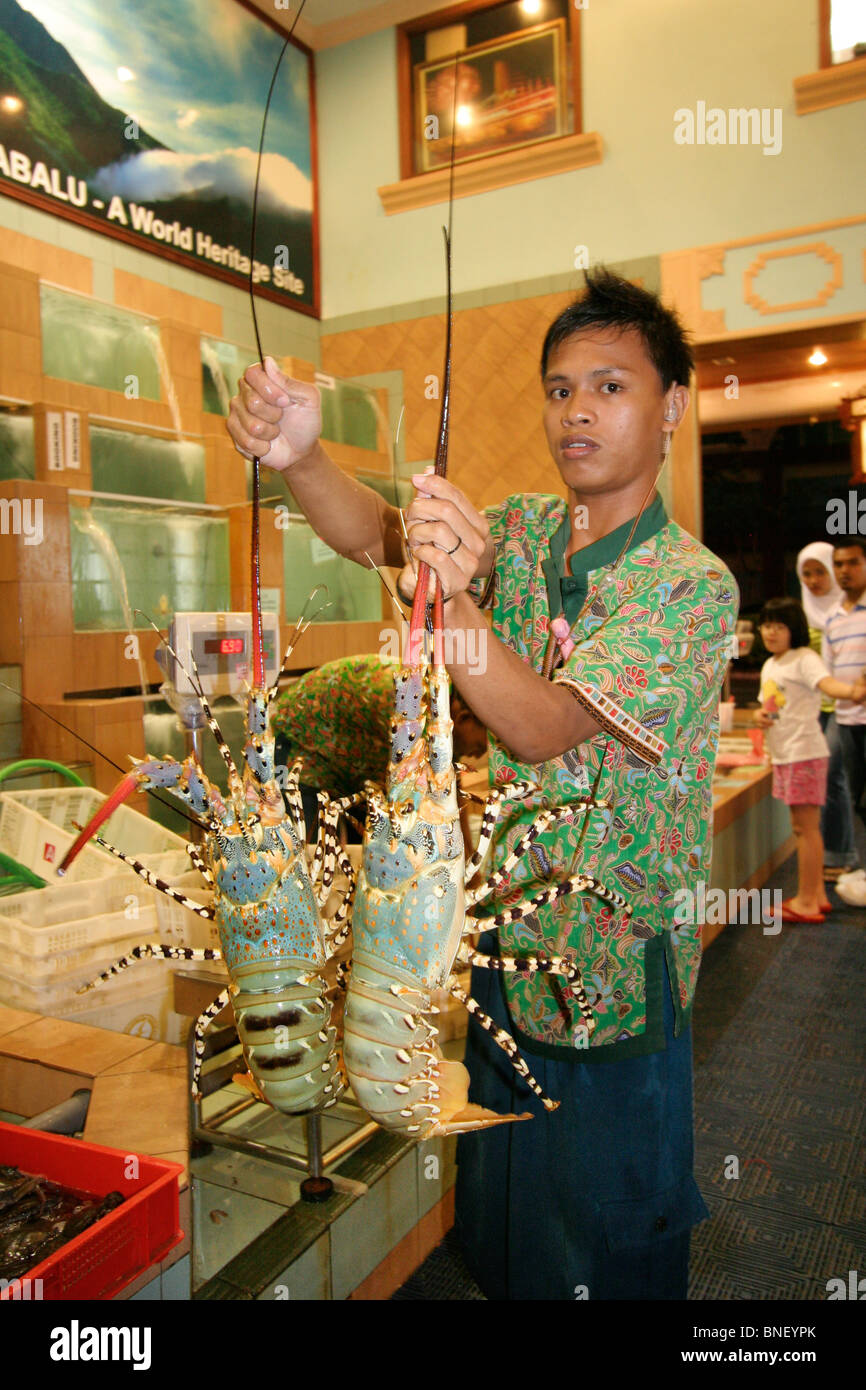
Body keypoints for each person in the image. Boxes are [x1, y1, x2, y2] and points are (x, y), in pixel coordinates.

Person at [227, 267, 738, 1300]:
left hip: (607, 987)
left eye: (608, 385)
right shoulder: (523, 533)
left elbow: (541, 721)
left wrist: (449, 599)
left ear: (671, 405)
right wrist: (301, 457)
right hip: (503, 960)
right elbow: (373, 532)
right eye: (558, 389)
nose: (576, 411)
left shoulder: (689, 583)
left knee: (605, 1242)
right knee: (508, 1241)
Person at [272, 652, 487, 836]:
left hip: (346, 759)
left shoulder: (446, 712)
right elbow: (423, 803)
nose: (477, 755)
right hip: (298, 744)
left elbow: (450, 795)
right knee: (308, 852)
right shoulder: (417, 708)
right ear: (464, 719)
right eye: (479, 746)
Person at [753, 596, 866, 923]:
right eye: (766, 626)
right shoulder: (771, 664)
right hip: (787, 755)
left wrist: (854, 692)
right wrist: (762, 715)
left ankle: (806, 900)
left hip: (804, 753)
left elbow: (827, 685)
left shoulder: (804, 657)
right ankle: (815, 894)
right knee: (803, 827)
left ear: (795, 629)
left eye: (779, 626)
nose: (770, 632)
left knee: (805, 829)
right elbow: (771, 706)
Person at [797, 542, 858, 879]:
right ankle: (830, 853)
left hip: (844, 703)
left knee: (832, 774)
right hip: (812, 708)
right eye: (807, 573)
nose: (814, 580)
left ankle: (840, 854)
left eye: (820, 571)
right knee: (825, 777)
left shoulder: (848, 609)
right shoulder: (803, 614)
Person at [823, 538, 866, 835]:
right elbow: (828, 675)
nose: (844, 570)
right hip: (847, 720)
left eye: (853, 562)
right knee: (858, 801)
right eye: (838, 564)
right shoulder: (832, 619)